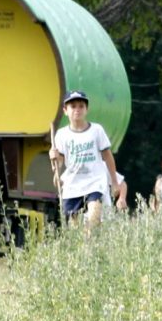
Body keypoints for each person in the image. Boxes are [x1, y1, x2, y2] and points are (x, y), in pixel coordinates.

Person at [49, 90, 119, 227]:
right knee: (74, 228)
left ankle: (89, 238)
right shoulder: (62, 135)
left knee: (94, 216)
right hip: (73, 184)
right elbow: (59, 163)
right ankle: (85, 244)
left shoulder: (96, 131)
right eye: (73, 106)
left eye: (81, 106)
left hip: (95, 182)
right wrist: (55, 159)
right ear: (65, 110)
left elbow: (108, 156)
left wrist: (114, 182)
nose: (77, 110)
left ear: (87, 109)